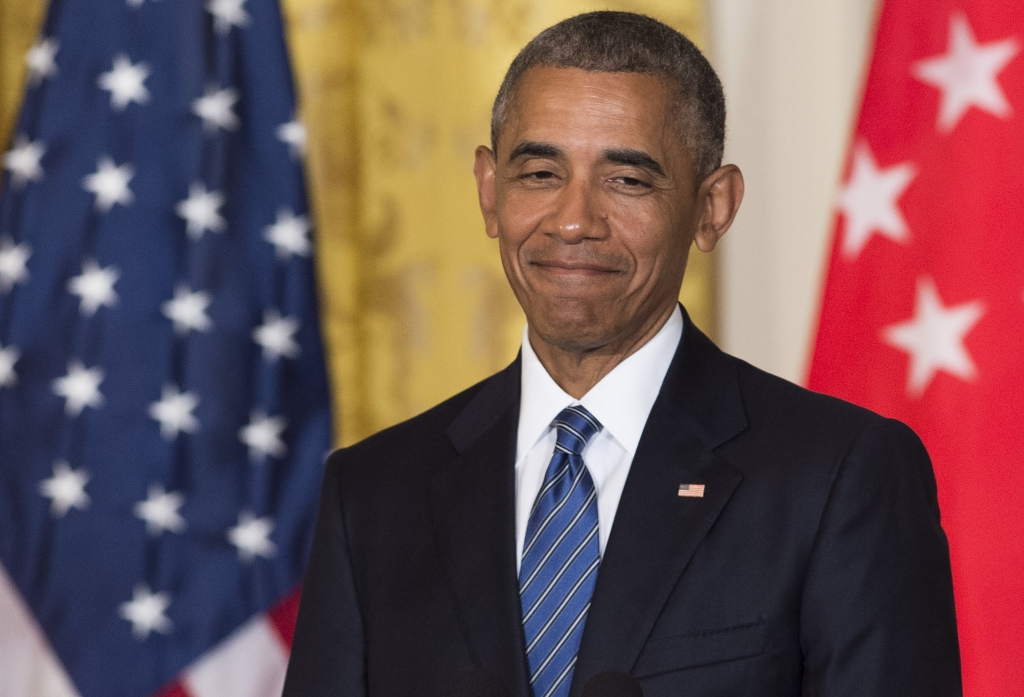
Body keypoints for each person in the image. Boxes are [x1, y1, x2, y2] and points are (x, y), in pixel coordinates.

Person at [282, 11, 961, 697]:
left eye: (627, 181)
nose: (574, 220)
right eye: (541, 172)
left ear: (712, 207)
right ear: (490, 191)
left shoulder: (840, 476)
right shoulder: (372, 494)